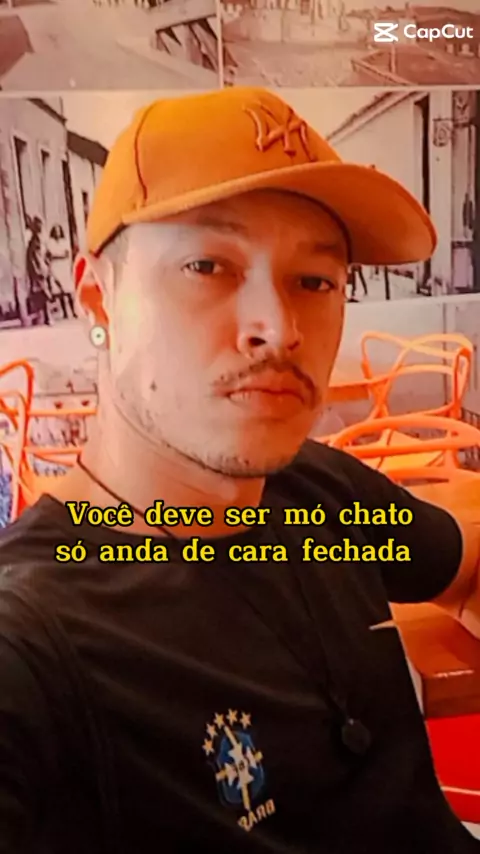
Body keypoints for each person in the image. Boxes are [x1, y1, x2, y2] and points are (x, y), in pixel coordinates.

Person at [0, 87, 479, 853]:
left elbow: (467, 565)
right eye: (208, 265)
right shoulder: (34, 638)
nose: (278, 328)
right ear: (99, 297)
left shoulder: (320, 494)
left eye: (315, 281)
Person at [46, 224, 77, 320]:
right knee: (60, 292)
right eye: (55, 231)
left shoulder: (64, 242)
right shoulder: (50, 243)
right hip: (55, 268)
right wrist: (59, 255)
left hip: (64, 268)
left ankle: (73, 311)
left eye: (59, 231)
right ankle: (65, 312)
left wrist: (56, 256)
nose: (57, 233)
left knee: (68, 291)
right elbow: (49, 255)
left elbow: (66, 254)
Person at [25, 215, 50, 326]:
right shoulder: (34, 241)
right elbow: (33, 257)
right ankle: (45, 316)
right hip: (38, 270)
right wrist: (37, 270)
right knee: (43, 293)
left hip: (42, 268)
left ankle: (44, 316)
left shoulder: (39, 239)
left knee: (42, 293)